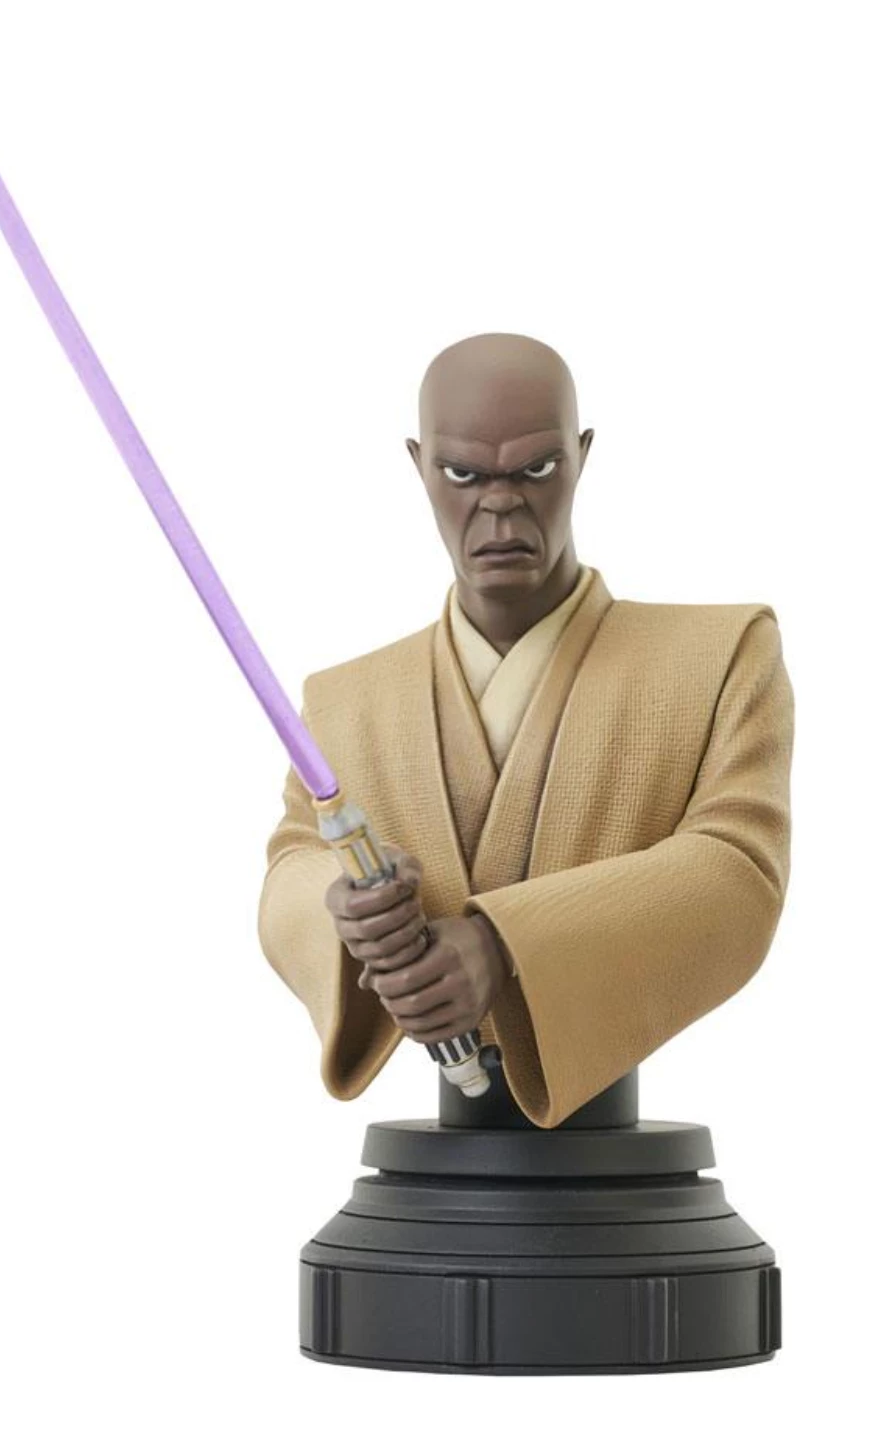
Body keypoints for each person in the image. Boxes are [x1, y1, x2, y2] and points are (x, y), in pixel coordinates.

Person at [258, 333, 793, 1128]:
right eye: (463, 474)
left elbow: (738, 870)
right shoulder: (345, 702)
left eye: (536, 469)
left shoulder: (718, 656)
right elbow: (291, 866)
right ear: (419, 466)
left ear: (582, 456)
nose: (500, 504)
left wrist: (502, 945)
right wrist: (343, 910)